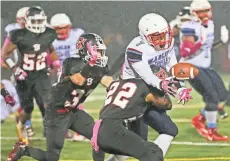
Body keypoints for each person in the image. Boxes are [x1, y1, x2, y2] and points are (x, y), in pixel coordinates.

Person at [7, 33, 113, 161]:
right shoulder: (72, 63)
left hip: (73, 111)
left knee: (99, 137)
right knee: (52, 158)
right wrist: (91, 65)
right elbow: (78, 80)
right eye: (98, 51)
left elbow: (108, 81)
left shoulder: (100, 67)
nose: (101, 55)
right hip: (56, 113)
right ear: (88, 51)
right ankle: (23, 149)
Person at [107, 13, 193, 161]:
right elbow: (147, 75)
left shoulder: (169, 42)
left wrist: (180, 88)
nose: (163, 40)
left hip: (149, 92)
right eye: (156, 37)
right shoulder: (136, 49)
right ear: (144, 36)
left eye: (164, 35)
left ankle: (154, 158)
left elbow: (173, 67)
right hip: (134, 97)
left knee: (169, 130)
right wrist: (163, 83)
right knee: (134, 146)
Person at [1, 6, 59, 141]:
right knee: (28, 108)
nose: (38, 24)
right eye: (35, 21)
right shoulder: (18, 35)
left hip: (41, 74)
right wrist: (15, 68)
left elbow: (50, 49)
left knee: (47, 104)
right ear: (27, 21)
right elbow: (4, 54)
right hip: (24, 76)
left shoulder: (49, 33)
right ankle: (22, 125)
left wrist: (55, 64)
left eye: (40, 21)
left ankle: (49, 131)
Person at [180, 0, 229, 141]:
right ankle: (211, 130)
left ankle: (200, 118)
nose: (204, 14)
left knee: (223, 95)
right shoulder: (189, 26)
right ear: (194, 13)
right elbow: (186, 52)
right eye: (200, 12)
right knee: (212, 97)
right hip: (190, 67)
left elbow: (206, 47)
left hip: (204, 66)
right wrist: (200, 42)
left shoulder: (210, 25)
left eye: (206, 10)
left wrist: (221, 42)